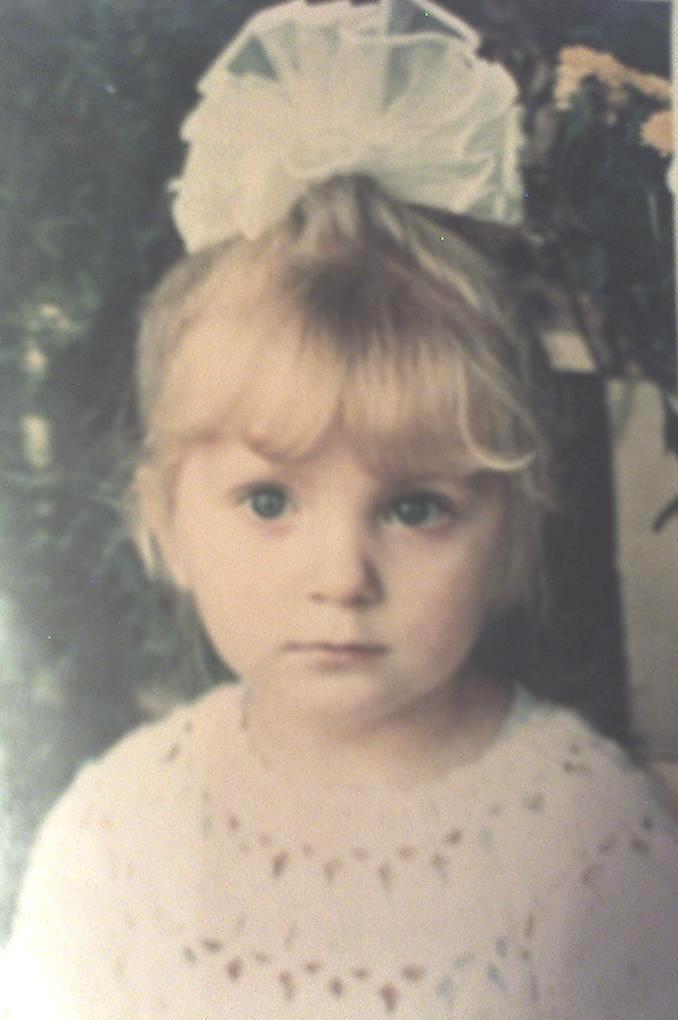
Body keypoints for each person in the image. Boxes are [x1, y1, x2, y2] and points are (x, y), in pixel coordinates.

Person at [4, 1, 678, 1017]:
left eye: (413, 508)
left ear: (510, 526)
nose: (341, 578)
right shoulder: (118, 835)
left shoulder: (587, 842)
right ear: (168, 520)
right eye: (270, 500)